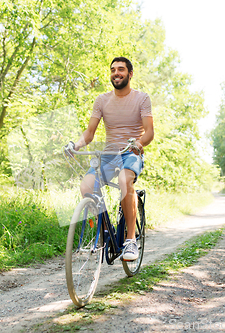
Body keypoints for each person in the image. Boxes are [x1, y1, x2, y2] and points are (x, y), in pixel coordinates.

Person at [72, 57, 154, 261]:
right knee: (86, 186)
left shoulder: (141, 98)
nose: (116, 73)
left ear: (130, 74)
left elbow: (150, 132)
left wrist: (139, 143)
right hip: (108, 155)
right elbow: (90, 133)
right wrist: (76, 145)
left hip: (130, 152)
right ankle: (104, 231)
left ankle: (130, 240)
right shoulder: (102, 100)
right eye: (113, 70)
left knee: (125, 181)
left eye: (121, 69)